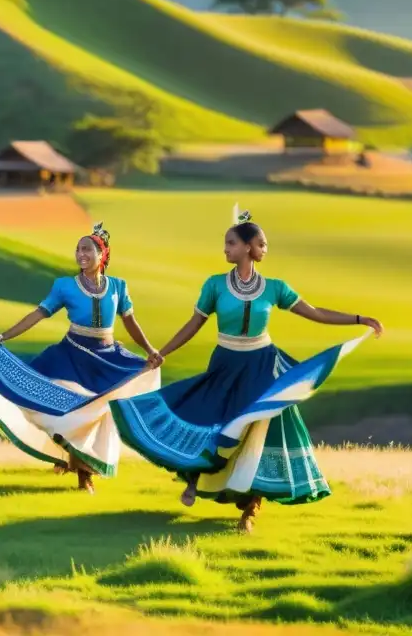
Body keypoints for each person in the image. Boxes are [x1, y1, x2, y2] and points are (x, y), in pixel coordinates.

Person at [111, 207, 383, 533]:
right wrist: (161, 353)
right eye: (225, 243)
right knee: (208, 419)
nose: (225, 249)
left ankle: (250, 509)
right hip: (224, 367)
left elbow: (315, 313)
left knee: (258, 431)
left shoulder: (275, 288)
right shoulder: (214, 285)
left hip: (261, 367)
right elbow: (193, 324)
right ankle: (193, 476)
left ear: (248, 247)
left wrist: (358, 319)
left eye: (230, 243)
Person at [0, 222, 162, 494]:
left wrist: (149, 350)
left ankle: (81, 463)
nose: (80, 253)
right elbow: (37, 314)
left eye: (87, 249)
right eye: (77, 249)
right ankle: (82, 473)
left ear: (102, 255)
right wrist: (2, 338)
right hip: (71, 356)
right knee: (68, 410)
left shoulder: (118, 287)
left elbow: (130, 322)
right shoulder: (65, 286)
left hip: (108, 358)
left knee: (101, 412)